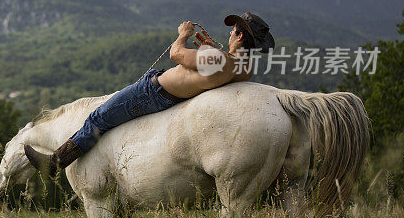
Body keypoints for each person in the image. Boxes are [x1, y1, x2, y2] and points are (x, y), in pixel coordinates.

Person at [24, 12, 275, 177]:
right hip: (174, 96)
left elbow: (176, 54)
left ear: (240, 35)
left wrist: (183, 34)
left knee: (98, 118)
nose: (230, 33)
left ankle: (55, 164)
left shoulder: (220, 59)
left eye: (233, 31)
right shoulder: (244, 69)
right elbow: (211, 75)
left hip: (153, 93)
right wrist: (207, 50)